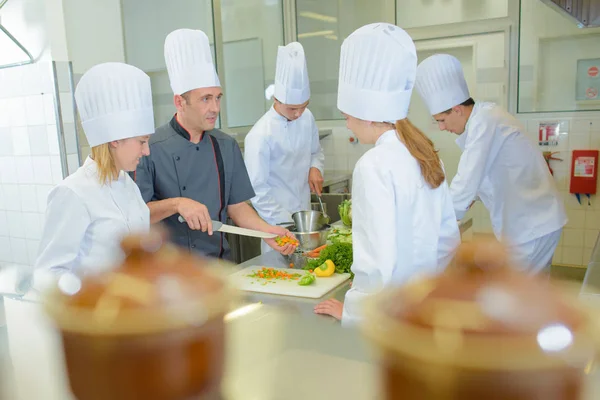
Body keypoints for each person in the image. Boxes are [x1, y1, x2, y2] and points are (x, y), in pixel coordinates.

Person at [314, 23, 461, 325]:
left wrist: (354, 312)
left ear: (365, 115)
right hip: (423, 306)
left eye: (347, 116)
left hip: (388, 315)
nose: (348, 126)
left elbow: (375, 259)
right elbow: (448, 239)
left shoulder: (373, 165)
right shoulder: (426, 155)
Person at [135, 28, 296, 259]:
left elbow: (237, 207)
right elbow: (137, 216)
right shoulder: (149, 148)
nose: (215, 108)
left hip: (220, 267)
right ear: (179, 102)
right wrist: (176, 204)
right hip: (170, 277)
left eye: (218, 97)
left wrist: (266, 232)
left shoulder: (225, 145)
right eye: (205, 99)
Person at [415, 54, 567, 274]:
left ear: (457, 109)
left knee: (516, 300)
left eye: (441, 120)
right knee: (528, 298)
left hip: (531, 228)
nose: (441, 127)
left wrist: (432, 226)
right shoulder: (486, 119)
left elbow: (467, 181)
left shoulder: (485, 120)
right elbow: (481, 179)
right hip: (531, 225)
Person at [35, 62, 155, 275]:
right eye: (141, 141)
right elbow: (49, 273)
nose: (146, 151)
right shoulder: (73, 193)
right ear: (115, 140)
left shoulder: (128, 185)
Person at [244, 42, 324, 253]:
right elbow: (256, 189)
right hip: (277, 226)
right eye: (293, 108)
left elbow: (316, 152)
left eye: (304, 106)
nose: (299, 113)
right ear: (277, 99)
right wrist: (286, 224)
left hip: (306, 219)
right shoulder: (260, 134)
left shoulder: (307, 118)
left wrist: (315, 167)